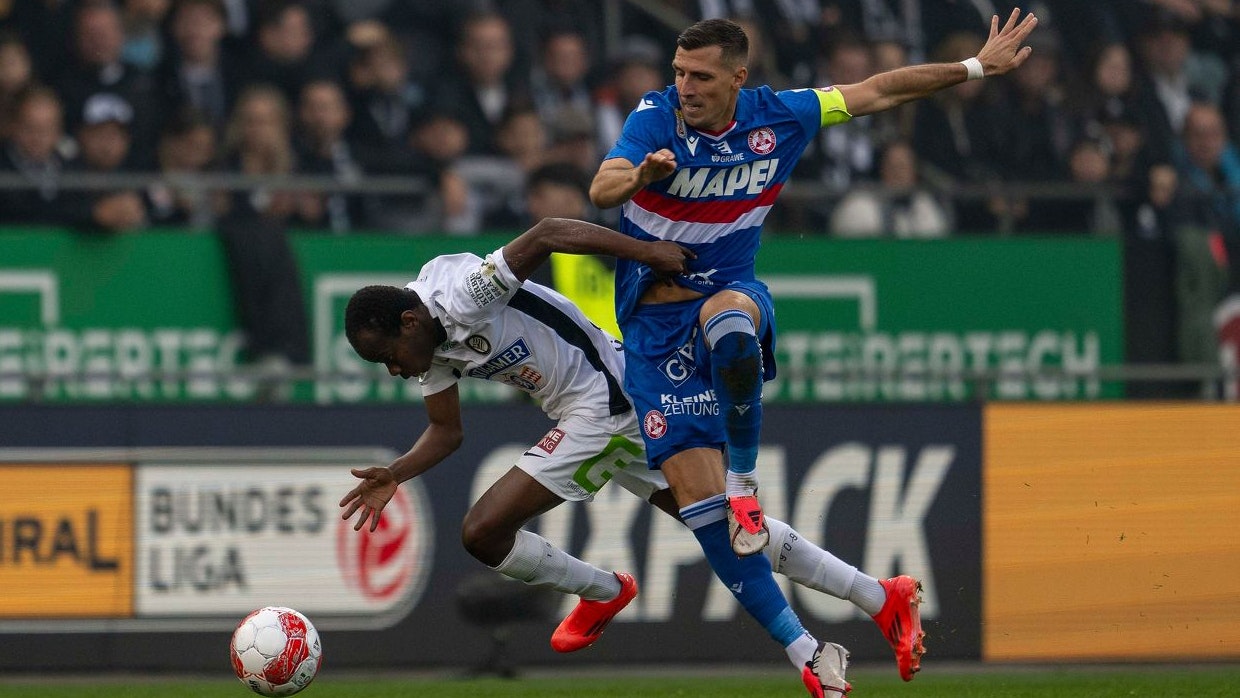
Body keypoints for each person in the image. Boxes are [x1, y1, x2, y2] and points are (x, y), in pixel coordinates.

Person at [588, 10, 1037, 690]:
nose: (686, 86)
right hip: (651, 335)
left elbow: (880, 90)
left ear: (738, 78)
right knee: (703, 520)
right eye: (680, 73)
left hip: (727, 295)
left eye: (702, 76)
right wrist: (644, 174)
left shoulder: (784, 116)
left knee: (732, 326)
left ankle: (746, 484)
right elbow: (602, 188)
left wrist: (974, 67)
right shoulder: (657, 119)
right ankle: (823, 644)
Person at [338, 216, 921, 697]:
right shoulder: (427, 342)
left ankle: (608, 593)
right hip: (597, 408)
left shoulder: (464, 293)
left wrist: (648, 252)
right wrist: (397, 471)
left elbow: (545, 234)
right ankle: (879, 597)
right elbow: (446, 431)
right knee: (728, 528)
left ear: (409, 322)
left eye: (388, 355)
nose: (394, 369)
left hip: (606, 400)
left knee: (484, 530)